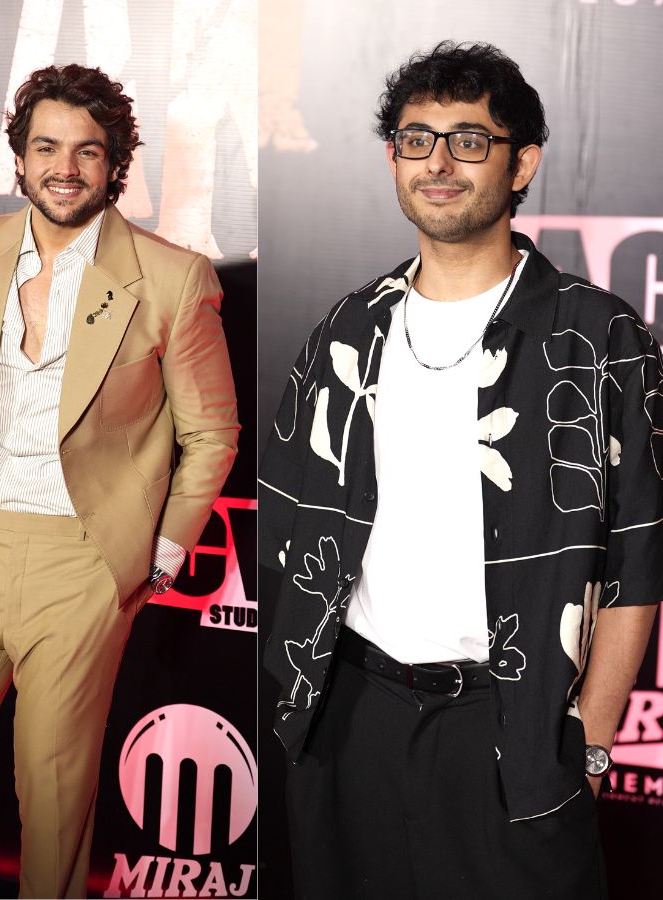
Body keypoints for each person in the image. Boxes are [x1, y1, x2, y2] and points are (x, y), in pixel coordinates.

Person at [260, 41, 659, 899]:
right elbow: (286, 525)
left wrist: (588, 744)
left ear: (524, 164)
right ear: (393, 159)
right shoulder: (348, 327)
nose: (438, 163)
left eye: (469, 141)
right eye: (417, 139)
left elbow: (640, 562)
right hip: (349, 716)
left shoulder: (599, 339)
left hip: (513, 728)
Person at [0, 63, 238, 898]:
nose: (65, 168)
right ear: (20, 159)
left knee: (55, 799)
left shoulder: (172, 277)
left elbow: (211, 432)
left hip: (83, 565)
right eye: (46, 148)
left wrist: (157, 556)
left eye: (87, 151)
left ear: (115, 164)